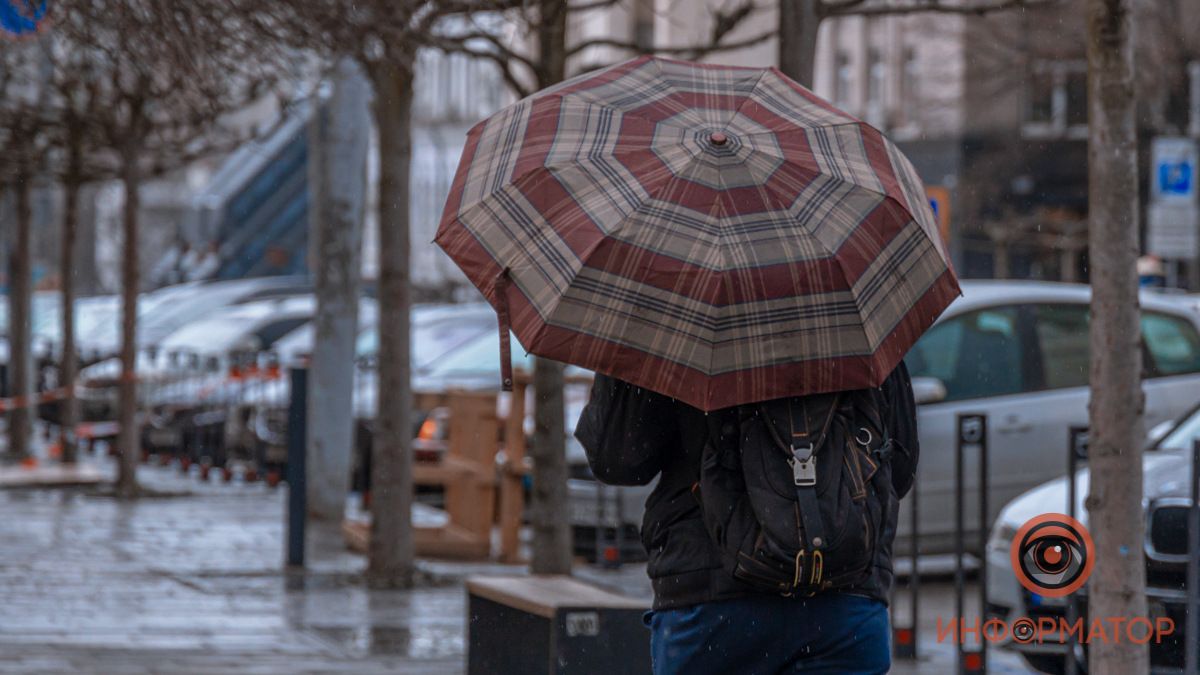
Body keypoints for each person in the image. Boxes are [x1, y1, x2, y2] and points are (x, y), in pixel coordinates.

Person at [575, 363, 919, 675]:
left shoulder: (681, 319)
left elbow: (618, 460)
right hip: (844, 597)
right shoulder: (853, 311)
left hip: (711, 601)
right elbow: (899, 470)